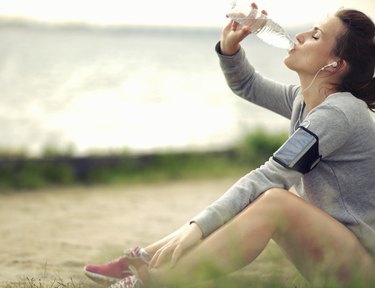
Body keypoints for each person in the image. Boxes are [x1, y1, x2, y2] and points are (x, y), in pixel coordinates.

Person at [84, 3, 375, 287]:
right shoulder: (306, 99)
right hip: (336, 253)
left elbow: (271, 175)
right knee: (264, 196)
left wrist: (198, 227)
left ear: (335, 64)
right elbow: (247, 85)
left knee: (275, 200)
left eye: (315, 36)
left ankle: (155, 281)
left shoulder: (339, 113)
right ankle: (147, 260)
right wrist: (230, 50)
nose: (299, 36)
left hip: (362, 268)